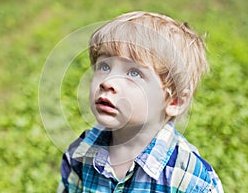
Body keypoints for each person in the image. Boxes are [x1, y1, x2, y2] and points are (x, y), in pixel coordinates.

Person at [57, 11, 223, 193]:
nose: (108, 82)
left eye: (134, 73)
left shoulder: (190, 179)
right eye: (105, 66)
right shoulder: (80, 153)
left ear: (175, 101)